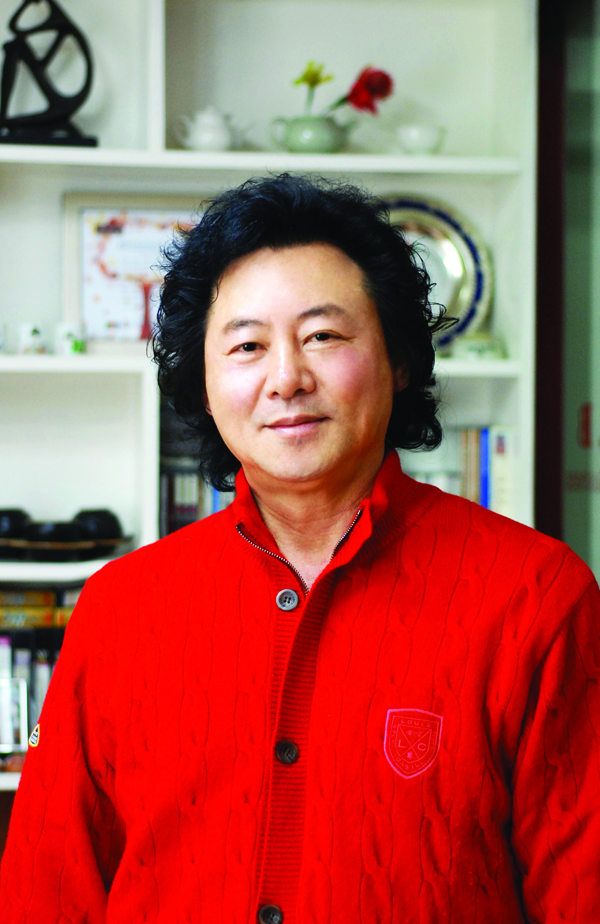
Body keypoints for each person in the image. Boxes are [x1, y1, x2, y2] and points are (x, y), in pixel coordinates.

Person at [1, 174, 599, 923]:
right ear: (204, 384)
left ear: (399, 359)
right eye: (247, 345)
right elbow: (47, 891)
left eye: (323, 336)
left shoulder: (533, 596)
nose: (286, 378)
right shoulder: (120, 609)